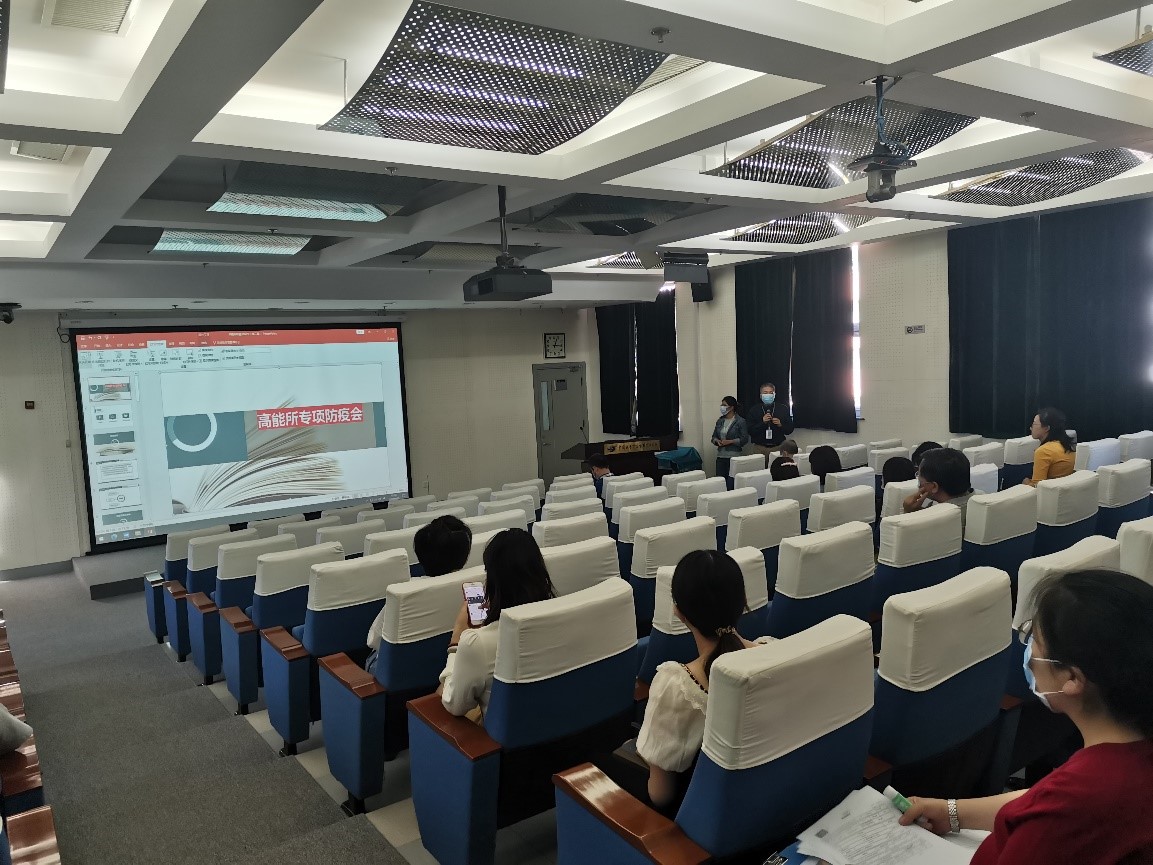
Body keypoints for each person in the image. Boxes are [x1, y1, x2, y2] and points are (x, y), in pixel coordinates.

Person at [898, 570, 1153, 864]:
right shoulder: (1121, 756)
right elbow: (1038, 800)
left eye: (1035, 640)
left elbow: (1059, 805)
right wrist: (952, 812)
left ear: (1072, 678)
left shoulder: (1078, 800)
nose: (1029, 653)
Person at [636, 550, 770, 812]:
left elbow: (661, 796)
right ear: (744, 600)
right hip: (763, 804)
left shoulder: (676, 685)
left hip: (700, 816)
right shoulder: (775, 655)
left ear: (678, 612)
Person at [439, 528, 557, 721]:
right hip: (553, 721)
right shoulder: (562, 616)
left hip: (502, 735)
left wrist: (456, 643)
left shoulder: (477, 643)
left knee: (441, 691)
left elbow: (454, 705)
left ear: (494, 580)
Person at [365, 515, 472, 673]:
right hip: (454, 665)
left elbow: (374, 641)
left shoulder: (404, 592)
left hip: (401, 673)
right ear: (465, 554)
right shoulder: (476, 587)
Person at [902, 447, 975, 529]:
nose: (918, 478)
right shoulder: (979, 500)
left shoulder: (933, 521)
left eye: (919, 474)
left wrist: (908, 512)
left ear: (934, 486)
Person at [1024, 407, 1075, 487]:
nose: (1031, 427)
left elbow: (1038, 486)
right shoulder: (1065, 445)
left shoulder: (1044, 451)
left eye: (1034, 424)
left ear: (1046, 428)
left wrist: (1026, 482)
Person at [746, 382, 794, 457]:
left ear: (774, 395)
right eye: (765, 393)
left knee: (778, 465)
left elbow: (790, 430)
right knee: (759, 465)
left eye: (771, 393)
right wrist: (762, 422)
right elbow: (750, 430)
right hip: (759, 447)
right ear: (761, 395)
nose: (768, 395)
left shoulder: (783, 408)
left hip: (778, 447)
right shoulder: (754, 410)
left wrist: (780, 425)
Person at [711, 396, 749, 479]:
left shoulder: (740, 421)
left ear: (731, 407)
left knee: (732, 481)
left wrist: (731, 441)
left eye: (724, 405)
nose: (722, 407)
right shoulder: (720, 421)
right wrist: (716, 441)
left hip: (734, 456)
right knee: (720, 480)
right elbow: (713, 437)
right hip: (721, 456)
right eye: (721, 405)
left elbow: (744, 439)